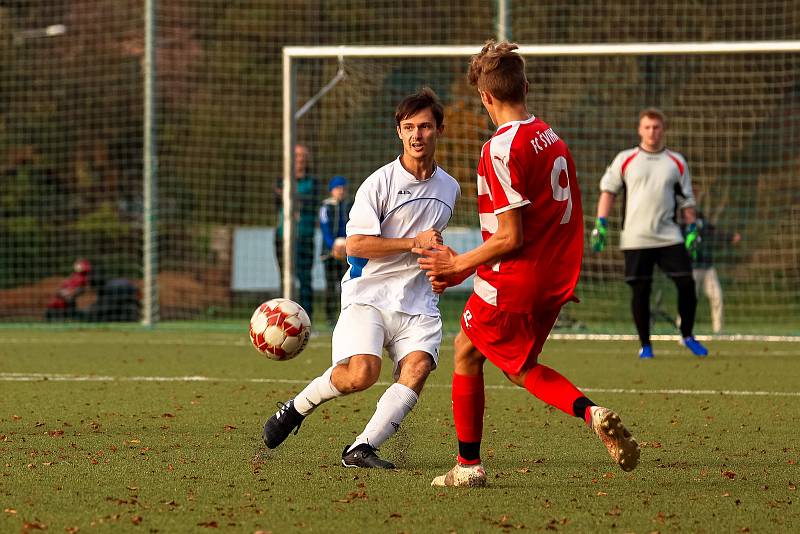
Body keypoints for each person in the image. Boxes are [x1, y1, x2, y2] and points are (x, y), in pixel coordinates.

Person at [416, 41, 640, 488]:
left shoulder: (499, 149)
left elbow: (509, 236)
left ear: (486, 97)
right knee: (517, 367)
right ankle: (589, 412)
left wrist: (458, 264)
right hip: (554, 277)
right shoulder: (550, 137)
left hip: (516, 280)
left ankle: (468, 466)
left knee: (465, 350)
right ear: (526, 86)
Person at [262, 88, 460, 469]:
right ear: (399, 133)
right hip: (369, 295)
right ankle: (297, 407)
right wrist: (411, 243)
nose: (417, 135)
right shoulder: (379, 183)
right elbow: (355, 244)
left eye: (424, 126)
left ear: (439, 130)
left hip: (418, 301)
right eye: (408, 128)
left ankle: (362, 448)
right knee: (361, 375)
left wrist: (440, 270)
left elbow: (432, 244)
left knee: (417, 367)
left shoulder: (450, 188)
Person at [590, 108, 709, 359]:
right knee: (640, 291)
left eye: (656, 127)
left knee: (687, 283)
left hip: (669, 235)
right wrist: (600, 223)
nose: (652, 132)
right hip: (636, 237)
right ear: (639, 129)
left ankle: (687, 335)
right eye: (647, 127)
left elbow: (686, 201)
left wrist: (692, 228)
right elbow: (608, 192)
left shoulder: (676, 162)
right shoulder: (626, 159)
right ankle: (646, 345)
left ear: (663, 130)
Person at [274, 143, 319, 318]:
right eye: (296, 155)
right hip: (282, 236)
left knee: (305, 279)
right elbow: (276, 200)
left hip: (305, 236)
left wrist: (289, 196)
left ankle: (307, 319)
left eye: (302, 156)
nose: (299, 159)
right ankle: (281, 318)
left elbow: (310, 202)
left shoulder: (312, 181)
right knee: (284, 279)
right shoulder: (281, 179)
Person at [680, 212, 741, 334]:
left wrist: (730, 237)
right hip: (691, 269)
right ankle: (683, 330)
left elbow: (715, 235)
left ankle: (718, 331)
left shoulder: (702, 222)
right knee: (688, 299)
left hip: (708, 268)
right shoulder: (680, 227)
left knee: (717, 296)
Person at [318, 175, 352, 327]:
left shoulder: (350, 206)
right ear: (332, 190)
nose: (341, 191)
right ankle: (330, 317)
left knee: (347, 285)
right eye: (338, 188)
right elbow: (325, 229)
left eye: (343, 188)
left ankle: (346, 315)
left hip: (347, 251)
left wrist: (347, 244)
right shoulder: (326, 207)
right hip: (329, 253)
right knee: (331, 285)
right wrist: (333, 245)